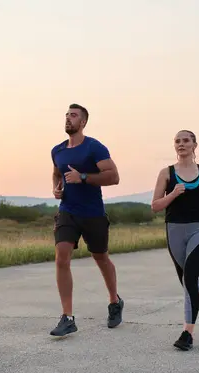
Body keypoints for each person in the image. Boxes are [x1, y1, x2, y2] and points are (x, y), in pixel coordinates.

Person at [49, 103, 124, 337]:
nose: (68, 119)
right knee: (62, 257)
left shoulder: (94, 147)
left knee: (101, 257)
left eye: (73, 116)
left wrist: (82, 177)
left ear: (83, 122)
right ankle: (67, 317)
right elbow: (56, 172)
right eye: (66, 115)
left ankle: (114, 301)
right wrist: (56, 188)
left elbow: (114, 177)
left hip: (93, 213)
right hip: (67, 211)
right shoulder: (58, 150)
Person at [150, 129, 199, 350]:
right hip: (174, 231)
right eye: (177, 141)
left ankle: (187, 333)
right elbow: (155, 206)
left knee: (189, 277)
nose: (181, 144)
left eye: (186, 140)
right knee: (186, 278)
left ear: (194, 145)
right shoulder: (167, 173)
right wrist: (172, 194)